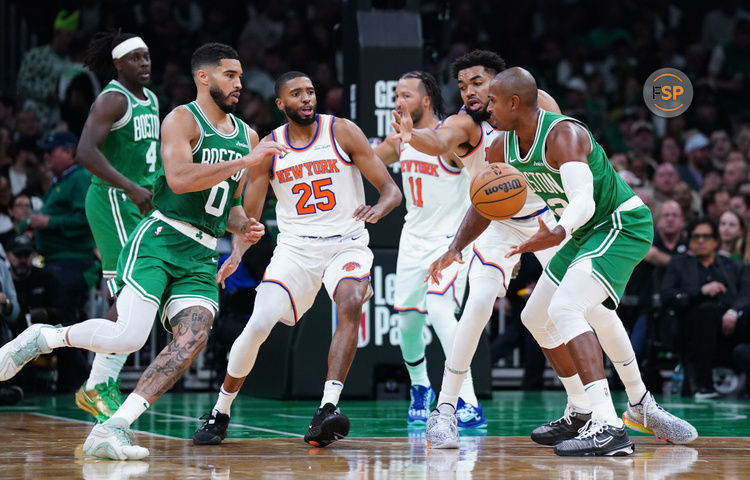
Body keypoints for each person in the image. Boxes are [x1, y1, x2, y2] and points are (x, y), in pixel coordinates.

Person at [0, 43, 286, 460]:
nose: (239, 83)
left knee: (193, 337)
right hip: (160, 239)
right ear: (203, 77)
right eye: (230, 75)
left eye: (241, 76)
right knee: (130, 335)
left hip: (200, 254)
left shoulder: (248, 135)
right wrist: (246, 159)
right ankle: (44, 338)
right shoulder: (180, 120)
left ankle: (113, 428)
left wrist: (245, 227)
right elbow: (181, 178)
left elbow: (229, 205)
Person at [480, 67, 695, 455]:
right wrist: (470, 249)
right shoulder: (501, 146)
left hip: (619, 223)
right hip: (582, 234)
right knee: (535, 316)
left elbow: (584, 201)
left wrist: (558, 233)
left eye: (492, 101)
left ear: (515, 102)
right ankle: (589, 409)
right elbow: (488, 203)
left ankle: (610, 426)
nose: (485, 108)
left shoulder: (564, 134)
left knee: (567, 308)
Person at [193, 71, 401, 448]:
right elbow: (250, 219)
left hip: (347, 243)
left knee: (351, 301)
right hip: (296, 250)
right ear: (281, 104)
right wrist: (238, 253)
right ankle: (220, 411)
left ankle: (327, 408)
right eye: (297, 94)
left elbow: (390, 191)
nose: (306, 98)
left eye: (310, 91)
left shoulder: (342, 132)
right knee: (258, 325)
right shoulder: (269, 148)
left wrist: (378, 209)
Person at [390, 51, 566, 448]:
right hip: (494, 223)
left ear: (502, 84)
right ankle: (450, 408)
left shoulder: (543, 108)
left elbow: (569, 150)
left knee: (576, 308)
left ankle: (617, 403)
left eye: (478, 82)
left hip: (547, 218)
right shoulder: (464, 124)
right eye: (463, 85)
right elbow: (436, 141)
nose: (469, 91)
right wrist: (410, 135)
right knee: (475, 304)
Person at [373, 71, 483, 427]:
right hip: (413, 240)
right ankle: (420, 387)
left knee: (438, 308)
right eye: (396, 96)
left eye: (405, 95)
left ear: (425, 100)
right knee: (406, 322)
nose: (398, 102)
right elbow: (364, 160)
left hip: (450, 243)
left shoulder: (448, 140)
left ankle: (466, 397)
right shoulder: (399, 141)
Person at [73, 31, 161, 422]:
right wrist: (128, 186)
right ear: (118, 64)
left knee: (135, 296)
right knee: (128, 294)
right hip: (112, 200)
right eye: (136, 58)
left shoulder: (153, 99)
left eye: (147, 57)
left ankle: (100, 382)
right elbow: (84, 152)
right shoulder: (113, 99)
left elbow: (148, 161)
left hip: (138, 203)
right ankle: (96, 383)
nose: (145, 63)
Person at [33, 130, 95, 392]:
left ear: (70, 152)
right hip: (57, 261)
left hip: (72, 262)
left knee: (65, 320)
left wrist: (49, 222)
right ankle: (72, 380)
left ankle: (80, 380)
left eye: (52, 150)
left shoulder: (79, 177)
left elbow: (84, 219)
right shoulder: (63, 179)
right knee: (63, 320)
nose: (46, 155)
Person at [661, 217, 750, 399]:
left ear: (716, 241)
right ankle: (703, 385)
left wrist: (733, 311)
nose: (701, 241)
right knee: (707, 311)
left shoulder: (731, 266)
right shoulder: (679, 264)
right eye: (696, 237)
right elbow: (666, 296)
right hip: (690, 327)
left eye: (706, 236)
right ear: (689, 240)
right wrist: (700, 291)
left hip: (728, 326)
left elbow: (745, 293)